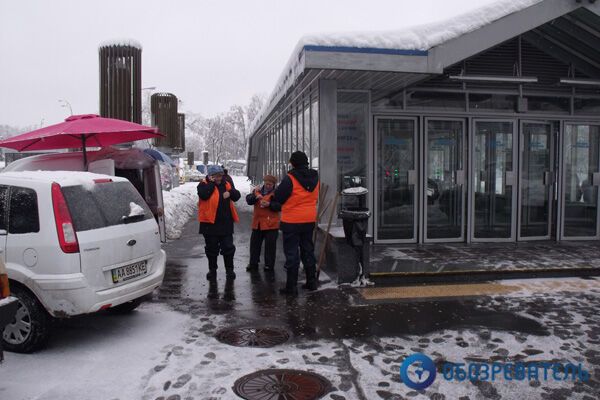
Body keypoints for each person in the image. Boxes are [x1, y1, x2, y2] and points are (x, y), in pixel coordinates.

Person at [270, 151, 319, 295]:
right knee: (307, 250)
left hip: (292, 221)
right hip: (309, 219)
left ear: (293, 163)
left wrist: (273, 199)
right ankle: (311, 282)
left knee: (292, 253)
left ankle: (291, 287)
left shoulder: (290, 178)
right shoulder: (315, 177)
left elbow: (279, 197)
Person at [197, 165, 241, 281]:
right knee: (212, 249)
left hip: (225, 223)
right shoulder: (203, 184)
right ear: (210, 176)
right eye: (217, 176)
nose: (219, 178)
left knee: (228, 247)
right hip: (209, 224)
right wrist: (211, 184)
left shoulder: (226, 184)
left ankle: (229, 270)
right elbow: (204, 195)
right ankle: (212, 270)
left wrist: (230, 192)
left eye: (221, 175)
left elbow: (237, 196)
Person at [246, 174, 280, 272]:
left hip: (271, 224)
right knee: (254, 245)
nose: (268, 186)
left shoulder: (276, 194)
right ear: (264, 183)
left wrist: (269, 204)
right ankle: (253, 263)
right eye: (267, 184)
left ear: (274, 185)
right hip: (258, 223)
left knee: (270, 246)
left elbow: (280, 206)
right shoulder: (257, 191)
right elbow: (248, 200)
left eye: (270, 184)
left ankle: (269, 265)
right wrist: (255, 197)